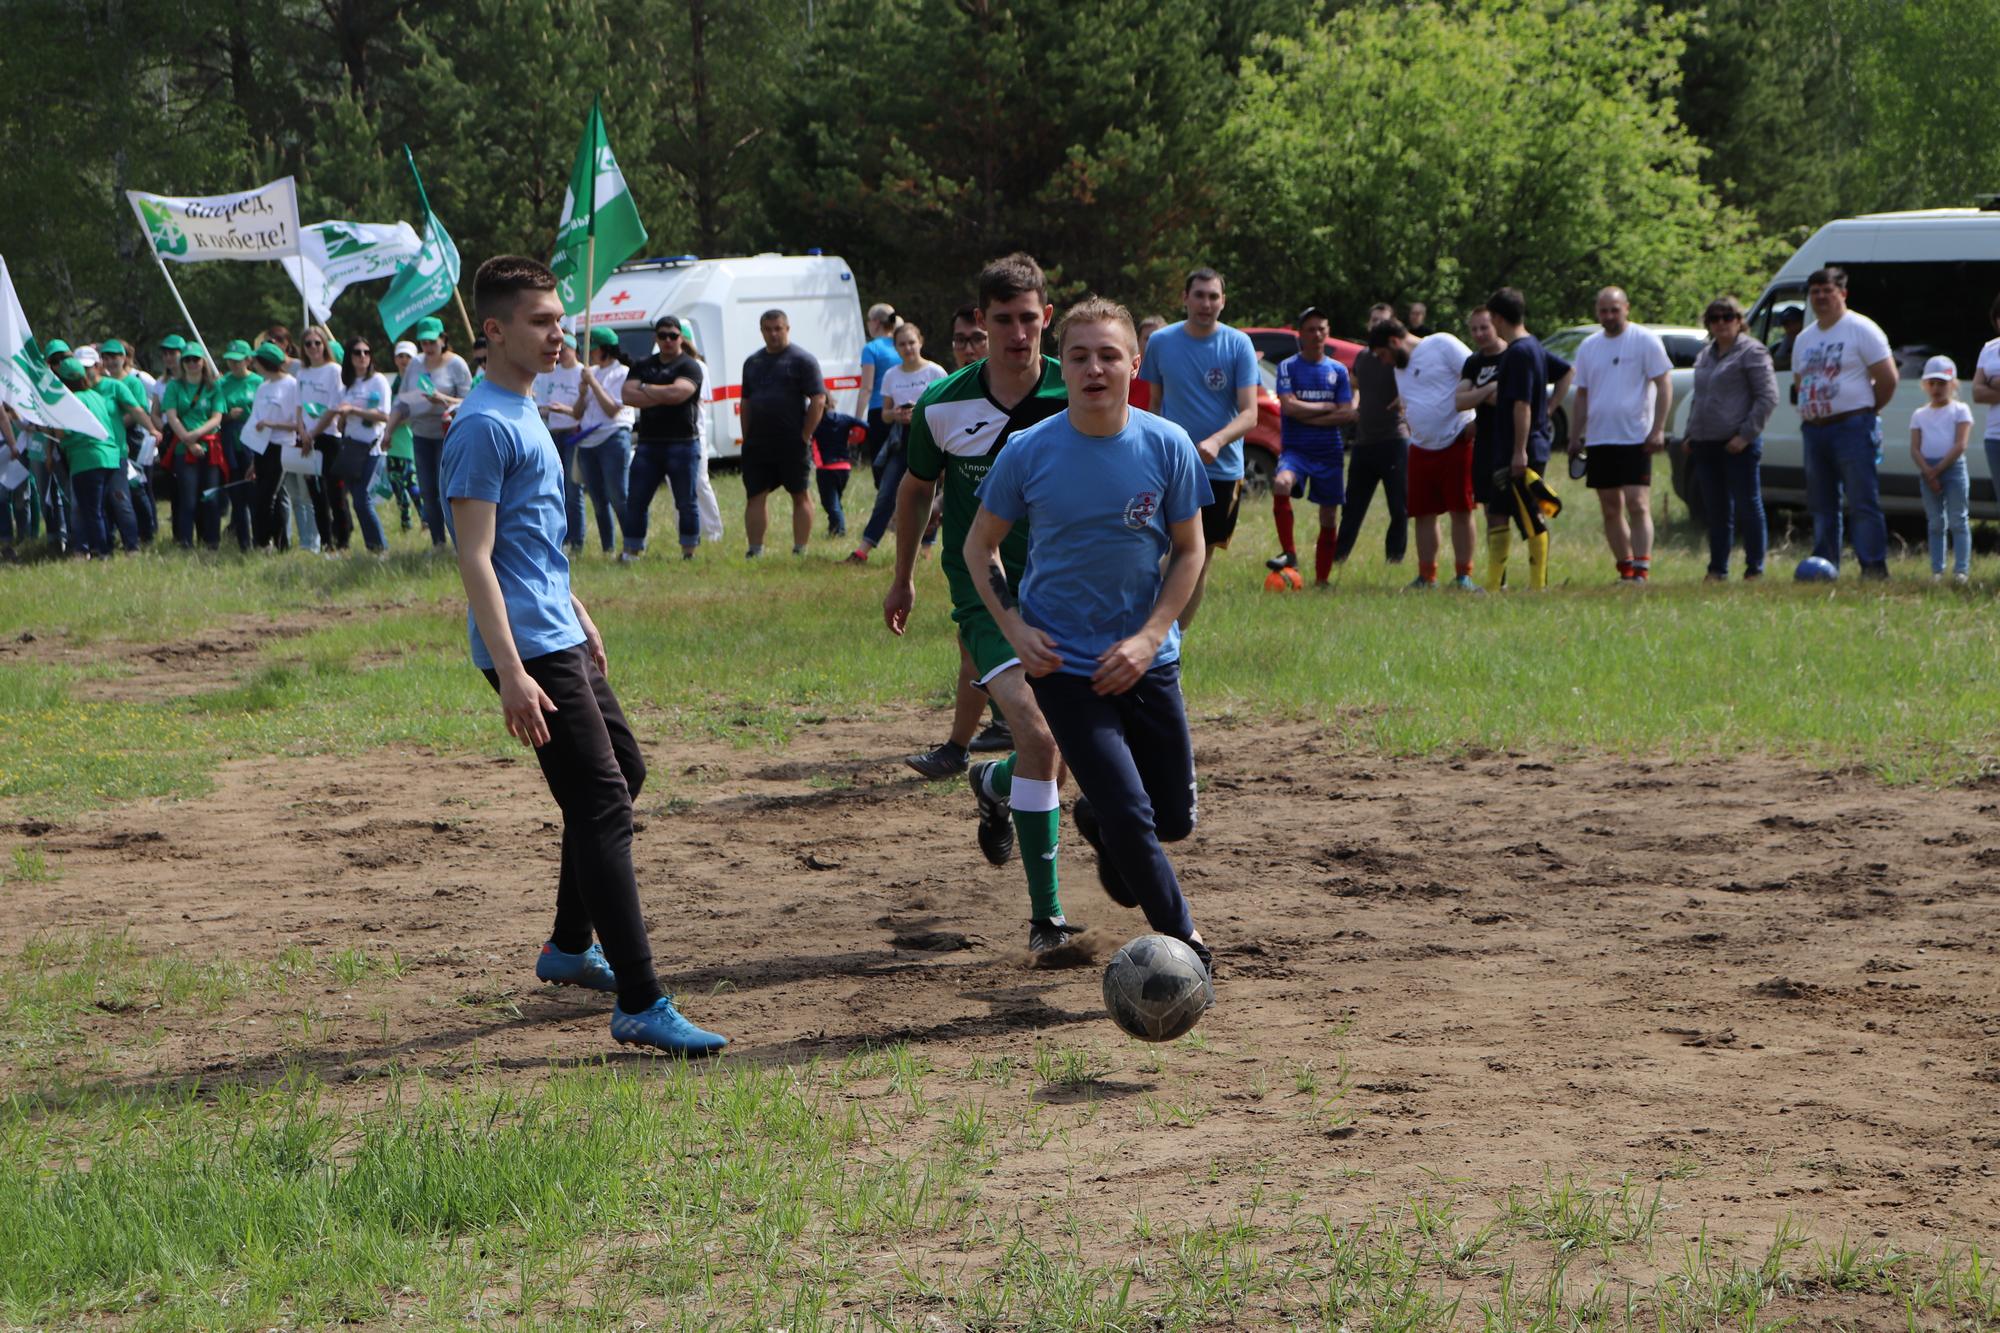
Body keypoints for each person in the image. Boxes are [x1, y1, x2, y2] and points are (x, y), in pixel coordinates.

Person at [440, 253, 727, 1055]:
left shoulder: (527, 406)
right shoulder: (483, 425)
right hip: (526, 646)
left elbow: (533, 541)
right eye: (540, 321)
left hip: (554, 628)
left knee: (622, 773)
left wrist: (577, 608)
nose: (557, 334)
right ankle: (640, 998)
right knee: (602, 802)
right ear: (494, 330)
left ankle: (570, 944)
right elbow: (476, 558)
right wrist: (512, 673)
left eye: (559, 321)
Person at [966, 296, 1214, 976]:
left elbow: (1190, 550)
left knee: (1171, 821)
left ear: (1135, 364)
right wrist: (1016, 628)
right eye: (1079, 356)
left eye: (1109, 355)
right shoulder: (1029, 451)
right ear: (1063, 365)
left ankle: (1099, 826)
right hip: (1065, 667)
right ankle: (1187, 947)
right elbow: (979, 547)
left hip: (1147, 662)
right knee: (1133, 815)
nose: (1094, 368)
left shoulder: (1168, 445)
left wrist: (1150, 638)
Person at [883, 253, 1080, 959]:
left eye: (1029, 318)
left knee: (1052, 757)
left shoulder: (1077, 387)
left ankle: (993, 783)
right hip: (986, 598)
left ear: (1046, 317)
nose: (1018, 334)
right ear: (980, 323)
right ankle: (1047, 920)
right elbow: (915, 489)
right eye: (1003, 320)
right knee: (1041, 740)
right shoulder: (944, 404)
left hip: (1068, 594)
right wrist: (903, 577)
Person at [903, 306, 1009, 779]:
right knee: (972, 645)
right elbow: (924, 482)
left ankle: (998, 736)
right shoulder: (946, 399)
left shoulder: (1051, 392)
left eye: (977, 338)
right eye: (961, 339)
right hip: (974, 556)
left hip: (1037, 556)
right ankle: (960, 747)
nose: (969, 347)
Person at [1138, 267, 1259, 625]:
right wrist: (1149, 450)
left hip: (1220, 471)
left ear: (1223, 302)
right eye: (1199, 295)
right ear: (1185, 298)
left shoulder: (1238, 344)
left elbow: (1250, 413)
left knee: (1198, 558)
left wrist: (1217, 441)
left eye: (1213, 296)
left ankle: (1173, 639)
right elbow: (1154, 405)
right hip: (1170, 467)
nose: (1206, 303)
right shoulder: (1161, 342)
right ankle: (1140, 624)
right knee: (1154, 549)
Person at [1791, 266, 1897, 578]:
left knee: (1862, 500)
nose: (1821, 297)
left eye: (1828, 291)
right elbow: (1800, 382)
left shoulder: (1861, 329)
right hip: (1814, 429)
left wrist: (1866, 411)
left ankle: (1873, 568)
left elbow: (1888, 378)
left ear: (1843, 293)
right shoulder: (1805, 338)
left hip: (1852, 426)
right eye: (1815, 292)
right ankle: (1825, 568)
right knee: (1822, 504)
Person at [1570, 287, 1672, 583]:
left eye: (1614, 309)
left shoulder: (1644, 340)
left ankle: (1642, 568)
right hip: (1600, 437)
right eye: (1603, 310)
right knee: (1610, 507)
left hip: (1635, 436)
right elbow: (1582, 395)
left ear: (1626, 308)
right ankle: (1625, 568)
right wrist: (1575, 436)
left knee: (1637, 503)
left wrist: (1658, 429)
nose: (1609, 316)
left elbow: (1663, 384)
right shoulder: (1589, 346)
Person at [1368, 318, 1478, 589]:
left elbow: (1478, 373)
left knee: (1461, 510)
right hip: (1420, 447)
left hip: (1457, 439)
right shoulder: (1400, 366)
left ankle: (1463, 575)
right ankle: (1427, 576)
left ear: (1395, 342)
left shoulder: (1442, 344)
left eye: (1383, 355)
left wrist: (1477, 420)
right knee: (1423, 513)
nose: (1384, 362)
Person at [1475, 288, 1573, 590]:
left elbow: (1522, 404)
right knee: (1497, 512)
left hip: (1521, 449)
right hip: (1509, 446)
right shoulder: (1533, 346)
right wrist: (1551, 407)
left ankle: (1537, 585)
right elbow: (1567, 371)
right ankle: (1493, 585)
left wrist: (1519, 451)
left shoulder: (1519, 353)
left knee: (1530, 515)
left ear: (1498, 318)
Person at [1685, 295, 1776, 582]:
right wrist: (1689, 432)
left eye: (1728, 317)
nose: (1721, 323)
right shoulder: (1705, 355)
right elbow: (1699, 398)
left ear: (1739, 321)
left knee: (1748, 506)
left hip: (1737, 444)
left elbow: (1767, 397)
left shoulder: (1752, 352)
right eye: (1714, 318)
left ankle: (1754, 568)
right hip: (1705, 442)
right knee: (1716, 510)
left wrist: (1745, 435)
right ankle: (1717, 569)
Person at [1265, 307, 1354, 587]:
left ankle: (1322, 581)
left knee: (1329, 516)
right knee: (1281, 483)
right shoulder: (1288, 367)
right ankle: (1290, 553)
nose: (1317, 335)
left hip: (1329, 451)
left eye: (1321, 329)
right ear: (1301, 334)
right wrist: (1327, 407)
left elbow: (1347, 413)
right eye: (1311, 329)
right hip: (1296, 450)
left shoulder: (1338, 370)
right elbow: (1289, 407)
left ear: (1328, 333)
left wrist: (1309, 413)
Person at [848, 320, 945, 564]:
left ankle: (926, 549)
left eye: (911, 342)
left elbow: (946, 409)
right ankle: (863, 550)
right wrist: (897, 415)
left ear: (920, 342)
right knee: (886, 494)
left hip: (930, 439)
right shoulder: (892, 375)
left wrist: (920, 412)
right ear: (896, 348)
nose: (908, 348)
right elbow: (884, 414)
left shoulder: (936, 372)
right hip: (901, 441)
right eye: (902, 344)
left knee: (929, 495)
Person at [739, 310, 825, 557]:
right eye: (768, 329)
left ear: (787, 329)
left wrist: (805, 436)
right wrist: (747, 437)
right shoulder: (752, 362)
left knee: (799, 494)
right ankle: (755, 550)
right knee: (755, 495)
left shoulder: (802, 360)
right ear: (761, 331)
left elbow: (818, 400)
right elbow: (746, 402)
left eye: (778, 328)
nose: (773, 334)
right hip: (758, 443)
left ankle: (800, 549)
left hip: (792, 442)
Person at [621, 316, 706, 562]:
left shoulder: (690, 366)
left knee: (686, 501)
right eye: (663, 336)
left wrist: (646, 388)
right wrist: (664, 393)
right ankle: (632, 550)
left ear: (680, 337)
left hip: (683, 443)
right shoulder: (643, 364)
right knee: (637, 498)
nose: (668, 340)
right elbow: (627, 396)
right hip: (649, 443)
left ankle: (688, 551)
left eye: (673, 336)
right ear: (655, 338)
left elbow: (679, 394)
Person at [389, 316, 473, 551]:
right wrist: (388, 431)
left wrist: (441, 398)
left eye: (432, 342)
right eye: (423, 342)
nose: (427, 347)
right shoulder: (415, 364)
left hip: (448, 434)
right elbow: (402, 401)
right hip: (421, 434)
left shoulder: (457, 365)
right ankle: (438, 542)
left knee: (447, 490)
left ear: (443, 339)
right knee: (427, 490)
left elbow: (469, 401)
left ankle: (461, 543)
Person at [1336, 302, 1410, 565]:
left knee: (1399, 508)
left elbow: (1417, 382)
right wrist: (1353, 405)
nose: (1377, 324)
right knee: (1352, 508)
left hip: (1395, 440)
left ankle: (1394, 561)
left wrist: (1405, 399)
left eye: (1383, 320)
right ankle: (1338, 559)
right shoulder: (1363, 357)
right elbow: (1355, 384)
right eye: (1374, 320)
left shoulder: (1400, 357)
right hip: (1364, 442)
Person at [55, 357, 143, 557]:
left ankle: (103, 552)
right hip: (110, 457)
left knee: (91, 510)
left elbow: (62, 434)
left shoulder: (69, 401)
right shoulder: (96, 396)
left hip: (86, 459)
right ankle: (114, 546)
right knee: (103, 508)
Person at [570, 327, 635, 556]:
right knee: (598, 499)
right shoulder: (591, 372)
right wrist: (582, 393)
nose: (589, 354)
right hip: (588, 441)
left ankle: (632, 544)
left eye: (593, 349)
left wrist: (594, 384)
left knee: (618, 495)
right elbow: (577, 413)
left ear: (605, 349)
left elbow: (611, 410)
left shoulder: (623, 373)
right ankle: (609, 548)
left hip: (612, 437)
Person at [1911, 355, 1973, 584]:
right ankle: (1937, 569)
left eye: (1942, 383)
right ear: (1925, 385)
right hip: (1928, 469)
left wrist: (1937, 470)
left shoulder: (1960, 410)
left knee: (1958, 519)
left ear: (1953, 385)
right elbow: (1915, 448)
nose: (1937, 388)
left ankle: (1961, 570)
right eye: (1932, 383)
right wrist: (1928, 471)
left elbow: (1960, 444)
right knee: (1936, 522)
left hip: (1952, 468)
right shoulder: (1919, 414)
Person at [161, 343, 227, 550]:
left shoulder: (214, 387)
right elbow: (172, 416)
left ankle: (212, 542)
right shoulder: (174, 386)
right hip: (183, 447)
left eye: (195, 359)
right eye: (187, 360)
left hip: (210, 447)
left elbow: (216, 417)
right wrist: (188, 441)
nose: (191, 363)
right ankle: (186, 542)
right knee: (188, 499)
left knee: (211, 498)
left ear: (203, 362)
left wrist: (196, 435)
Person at [335, 337, 393, 555]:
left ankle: (381, 548)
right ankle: (372, 548)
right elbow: (341, 424)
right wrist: (342, 415)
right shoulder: (347, 385)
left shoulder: (378, 381)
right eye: (357, 352)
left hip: (371, 448)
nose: (362, 357)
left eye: (366, 352)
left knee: (363, 500)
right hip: (351, 447)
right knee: (356, 501)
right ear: (349, 357)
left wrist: (353, 410)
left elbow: (385, 415)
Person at [532, 331, 585, 556]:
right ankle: (561, 537)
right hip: (554, 433)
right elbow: (542, 404)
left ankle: (577, 539)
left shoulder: (582, 373)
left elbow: (583, 411)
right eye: (559, 350)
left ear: (574, 350)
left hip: (574, 433)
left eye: (566, 350)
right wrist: (545, 409)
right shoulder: (551, 373)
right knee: (556, 488)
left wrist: (564, 409)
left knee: (573, 489)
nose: (561, 354)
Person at [245, 342, 301, 550]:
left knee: (269, 495)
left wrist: (272, 424)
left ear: (265, 363)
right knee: (267, 496)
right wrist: (254, 461)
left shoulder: (292, 385)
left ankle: (264, 541)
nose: (253, 365)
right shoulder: (263, 386)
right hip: (263, 447)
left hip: (283, 446)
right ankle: (278, 543)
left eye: (256, 361)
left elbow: (299, 424)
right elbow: (256, 420)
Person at [296, 327, 348, 552]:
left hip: (329, 437)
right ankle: (326, 542)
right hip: (307, 439)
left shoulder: (334, 370)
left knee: (336, 494)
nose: (313, 347)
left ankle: (343, 541)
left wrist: (314, 433)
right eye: (308, 343)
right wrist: (302, 433)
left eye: (317, 343)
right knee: (316, 495)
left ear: (324, 345)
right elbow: (298, 407)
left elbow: (335, 407)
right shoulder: (302, 373)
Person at [857, 303, 902, 485]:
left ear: (875, 322)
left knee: (881, 466)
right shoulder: (901, 345)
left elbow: (867, 388)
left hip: (879, 411)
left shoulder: (871, 349)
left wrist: (857, 420)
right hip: (903, 410)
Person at [384, 341, 421, 533]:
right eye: (400, 356)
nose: (404, 360)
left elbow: (414, 413)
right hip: (392, 442)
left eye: (408, 356)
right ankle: (406, 524)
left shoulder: (417, 382)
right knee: (397, 485)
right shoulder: (393, 384)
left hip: (409, 442)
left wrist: (394, 419)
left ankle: (426, 520)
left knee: (412, 484)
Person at [1977, 294, 2000, 487]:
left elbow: (1984, 387)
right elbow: (1977, 393)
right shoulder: (1989, 349)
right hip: (1994, 437)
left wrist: (1992, 381)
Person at [1128, 316, 1167, 409]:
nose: (1152, 343)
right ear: (1137, 342)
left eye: (1157, 338)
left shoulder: (1173, 373)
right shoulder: (1127, 371)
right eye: (1147, 338)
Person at [1772, 308, 1805, 372]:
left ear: (1802, 322)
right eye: (1787, 325)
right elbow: (1777, 362)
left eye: (1794, 323)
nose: (1791, 328)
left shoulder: (1810, 340)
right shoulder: (1786, 342)